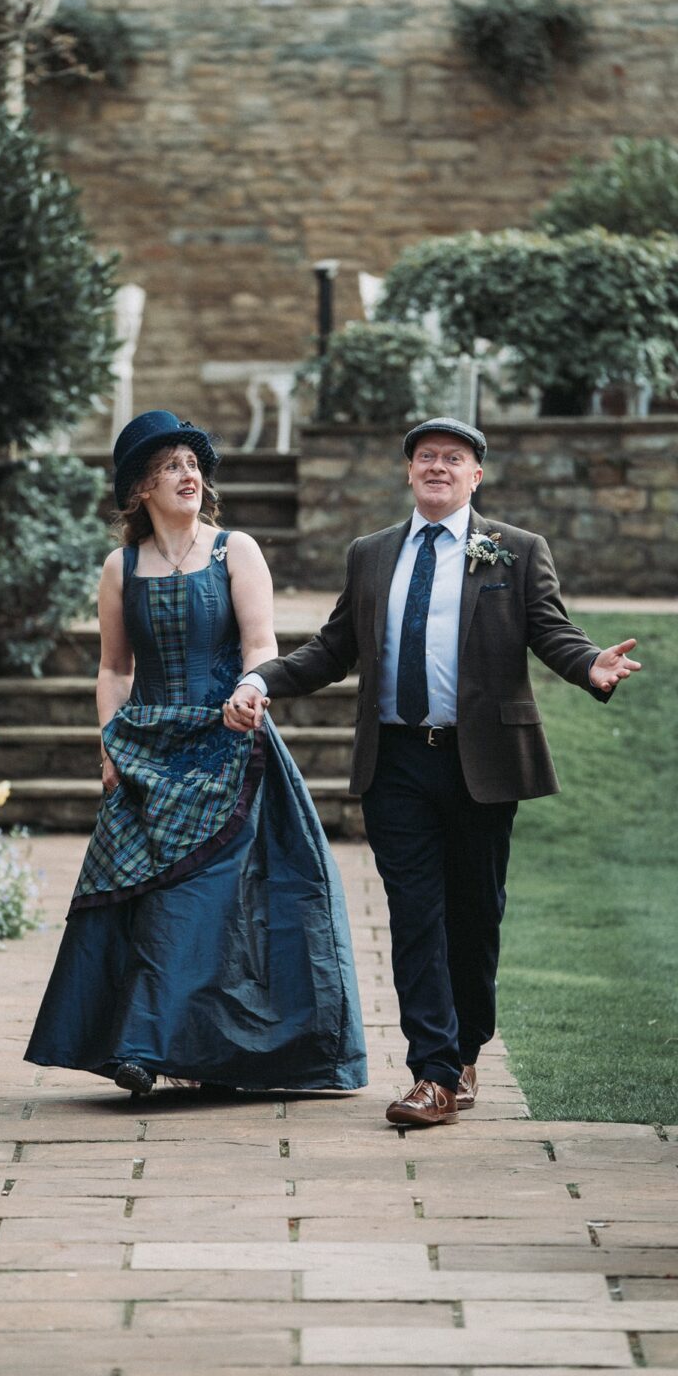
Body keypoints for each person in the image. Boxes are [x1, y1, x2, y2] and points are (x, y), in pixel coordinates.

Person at [225, 416, 640, 1128]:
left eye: (454, 458)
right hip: (396, 762)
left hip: (482, 762)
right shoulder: (371, 554)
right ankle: (434, 1073)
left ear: (476, 476)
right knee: (415, 917)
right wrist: (261, 681)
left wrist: (591, 667)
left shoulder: (514, 550)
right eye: (426, 458)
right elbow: (331, 650)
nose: (438, 467)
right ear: (410, 472)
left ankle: (467, 1046)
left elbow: (551, 631)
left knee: (474, 919)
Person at [25, 409, 368, 1096]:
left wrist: (250, 690)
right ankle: (141, 1046)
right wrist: (109, 747)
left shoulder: (234, 551)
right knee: (137, 895)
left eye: (191, 464)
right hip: (149, 751)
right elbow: (115, 670)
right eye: (169, 466)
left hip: (228, 743)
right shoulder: (120, 567)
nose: (187, 475)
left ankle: (162, 1049)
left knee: (202, 899)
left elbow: (261, 644)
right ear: (140, 488)